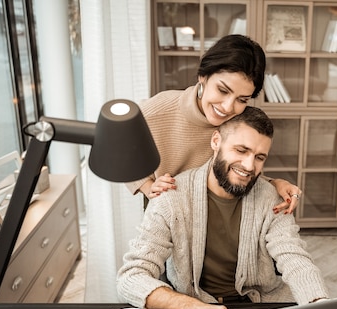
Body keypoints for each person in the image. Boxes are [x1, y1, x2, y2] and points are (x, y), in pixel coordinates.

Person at [117, 106, 337, 309]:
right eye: (241, 150)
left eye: (259, 157)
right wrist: (193, 308)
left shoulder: (271, 199)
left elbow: (295, 258)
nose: (249, 166)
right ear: (216, 141)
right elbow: (131, 277)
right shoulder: (171, 197)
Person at [126, 34, 301, 214]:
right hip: (167, 213)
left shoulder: (238, 121)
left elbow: (238, 169)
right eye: (222, 90)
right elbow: (119, 151)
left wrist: (274, 184)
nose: (227, 107)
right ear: (203, 76)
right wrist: (148, 187)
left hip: (215, 215)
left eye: (242, 99)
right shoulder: (155, 111)